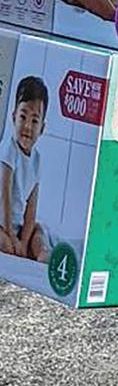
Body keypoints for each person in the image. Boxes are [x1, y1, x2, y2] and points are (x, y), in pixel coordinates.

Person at [0, 76, 50, 263]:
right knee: (5, 244)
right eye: (23, 117)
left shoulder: (37, 160)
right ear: (14, 117)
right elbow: (4, 198)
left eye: (34, 121)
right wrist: (11, 236)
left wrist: (24, 240)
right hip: (1, 223)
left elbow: (31, 208)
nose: (27, 126)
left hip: (18, 226)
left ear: (42, 128)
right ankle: (12, 247)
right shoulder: (8, 150)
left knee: (39, 229)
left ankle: (42, 253)